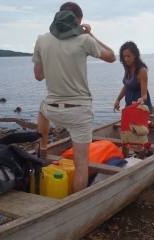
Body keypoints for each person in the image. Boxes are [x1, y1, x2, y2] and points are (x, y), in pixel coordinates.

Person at [32, 2, 116, 193]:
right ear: (78, 21)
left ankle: (43, 147)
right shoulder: (84, 40)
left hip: (52, 108)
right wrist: (89, 35)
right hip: (79, 111)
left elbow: (38, 76)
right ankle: (76, 202)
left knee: (42, 109)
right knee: (81, 165)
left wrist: (54, 60)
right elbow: (111, 57)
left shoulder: (42, 40)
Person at [113, 41, 153, 159]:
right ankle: (123, 161)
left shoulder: (142, 70)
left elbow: (144, 94)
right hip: (129, 108)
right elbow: (126, 85)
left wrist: (141, 99)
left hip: (140, 108)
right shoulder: (129, 68)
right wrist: (118, 99)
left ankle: (140, 160)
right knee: (126, 135)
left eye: (129, 56)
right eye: (124, 56)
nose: (126, 59)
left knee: (140, 136)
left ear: (135, 55)